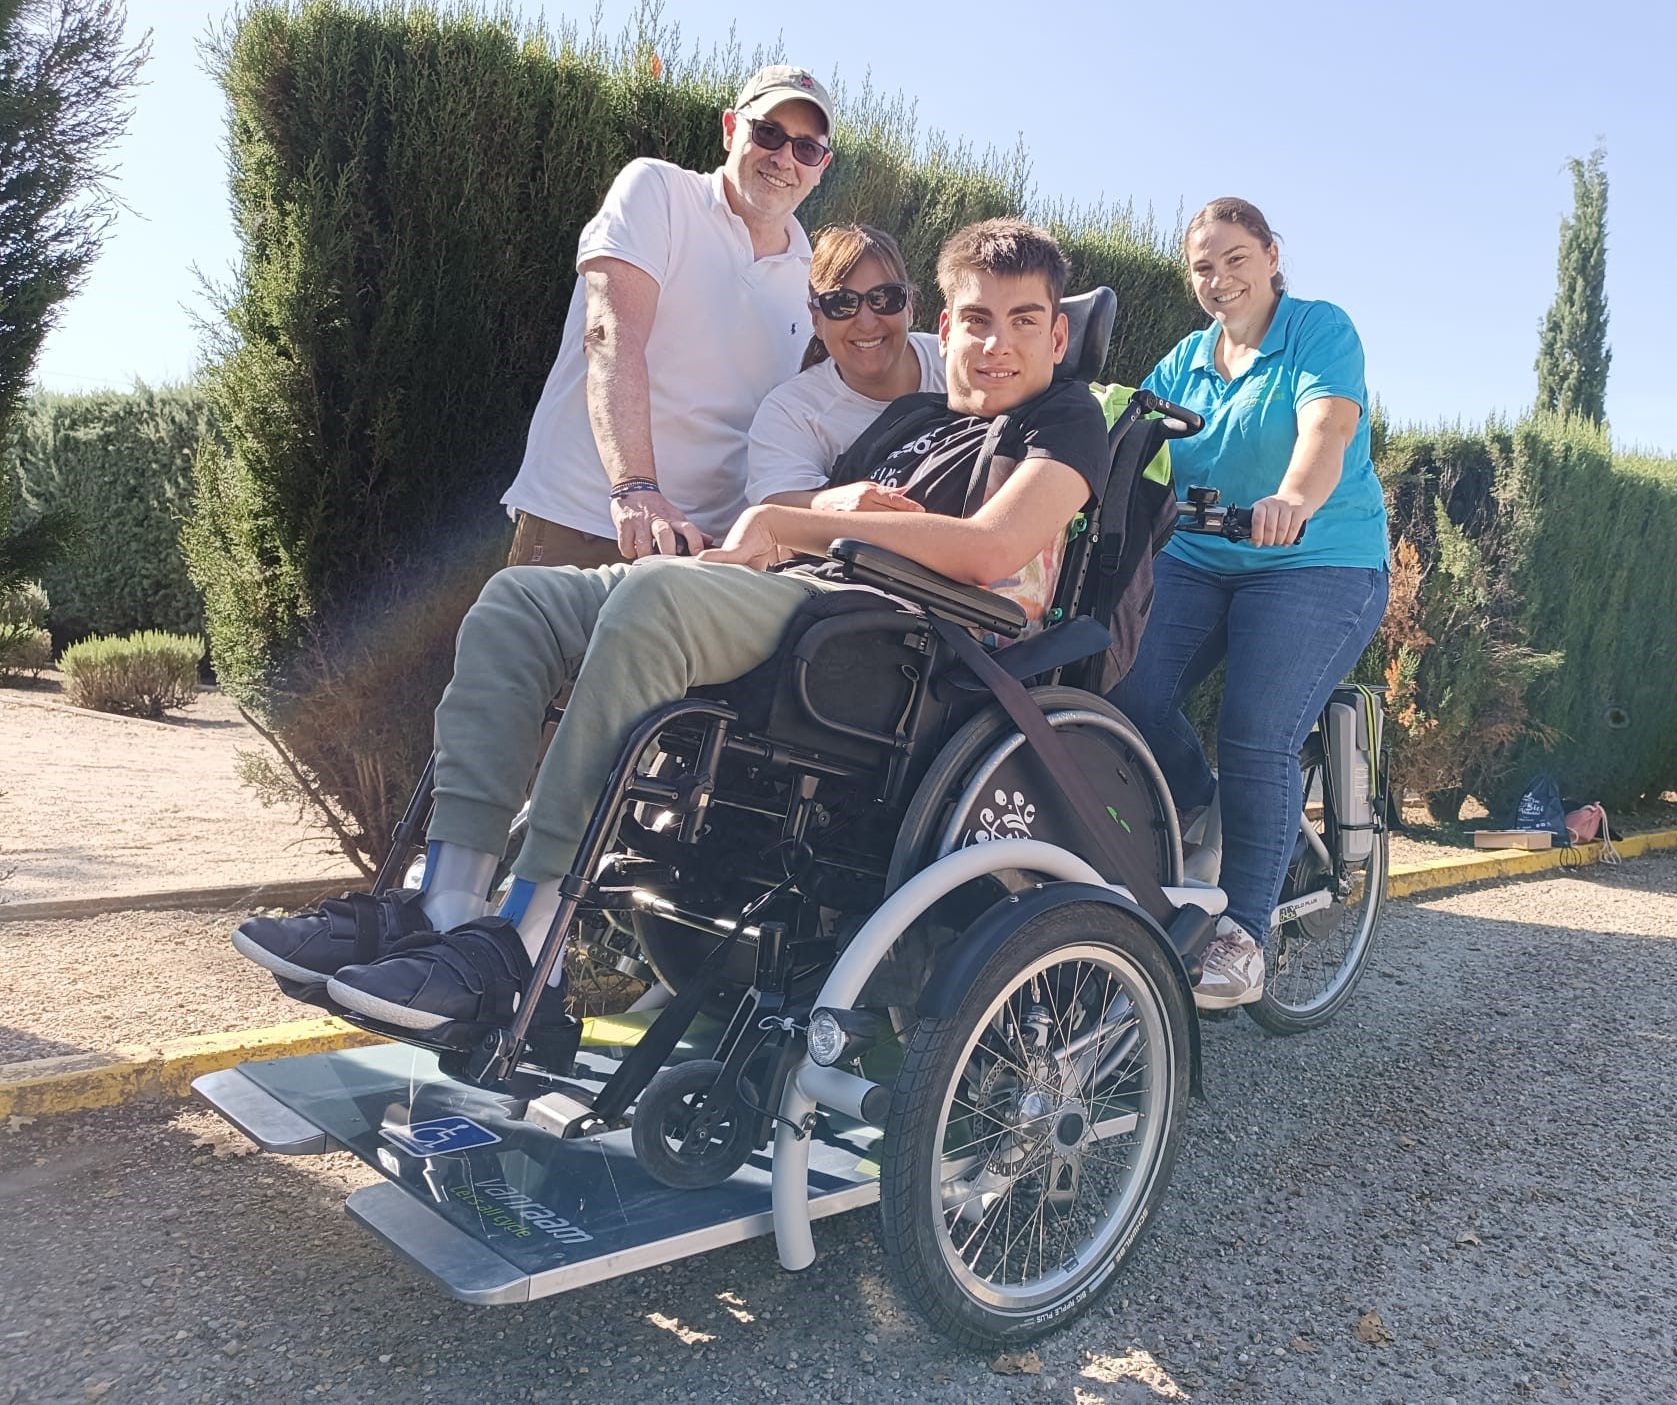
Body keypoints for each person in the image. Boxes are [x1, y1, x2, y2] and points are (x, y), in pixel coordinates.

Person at [239, 219, 1108, 1033]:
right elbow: (799, 524)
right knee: (521, 603)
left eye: (1025, 321)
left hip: (903, 642)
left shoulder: (1063, 419)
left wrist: (791, 521)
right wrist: (794, 523)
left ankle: (526, 941)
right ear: (945, 328)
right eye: (978, 320)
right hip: (807, 599)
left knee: (656, 597)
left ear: (1058, 339)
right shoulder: (908, 421)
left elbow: (995, 549)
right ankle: (447, 906)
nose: (997, 345)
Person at [1110, 198, 1390, 1010]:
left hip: (1316, 558)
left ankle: (1244, 934)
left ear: (1271, 255)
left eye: (1235, 259)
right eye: (1203, 266)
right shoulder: (1185, 360)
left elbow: (1327, 429)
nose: (1219, 279)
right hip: (1200, 558)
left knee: (1257, 735)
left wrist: (1293, 498)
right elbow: (1126, 436)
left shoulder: (1316, 330)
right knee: (1124, 687)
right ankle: (1203, 804)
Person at [500, 63, 835, 571]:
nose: (784, 157)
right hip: (589, 519)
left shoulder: (814, 282)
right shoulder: (656, 190)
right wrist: (635, 490)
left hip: (705, 562)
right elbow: (611, 334)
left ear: (821, 166)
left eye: (805, 147)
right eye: (768, 133)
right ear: (730, 129)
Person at [745, 223, 944, 512]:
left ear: (909, 306)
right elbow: (776, 503)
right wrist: (842, 501)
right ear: (816, 320)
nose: (866, 322)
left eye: (885, 299)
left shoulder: (958, 365)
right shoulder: (791, 411)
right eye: (841, 303)